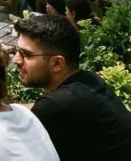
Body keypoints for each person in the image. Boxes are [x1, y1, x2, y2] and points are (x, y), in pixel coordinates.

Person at [13, 15, 131, 160]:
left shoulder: (56, 106)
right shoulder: (88, 79)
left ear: (57, 63)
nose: (16, 60)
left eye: (26, 54)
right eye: (17, 50)